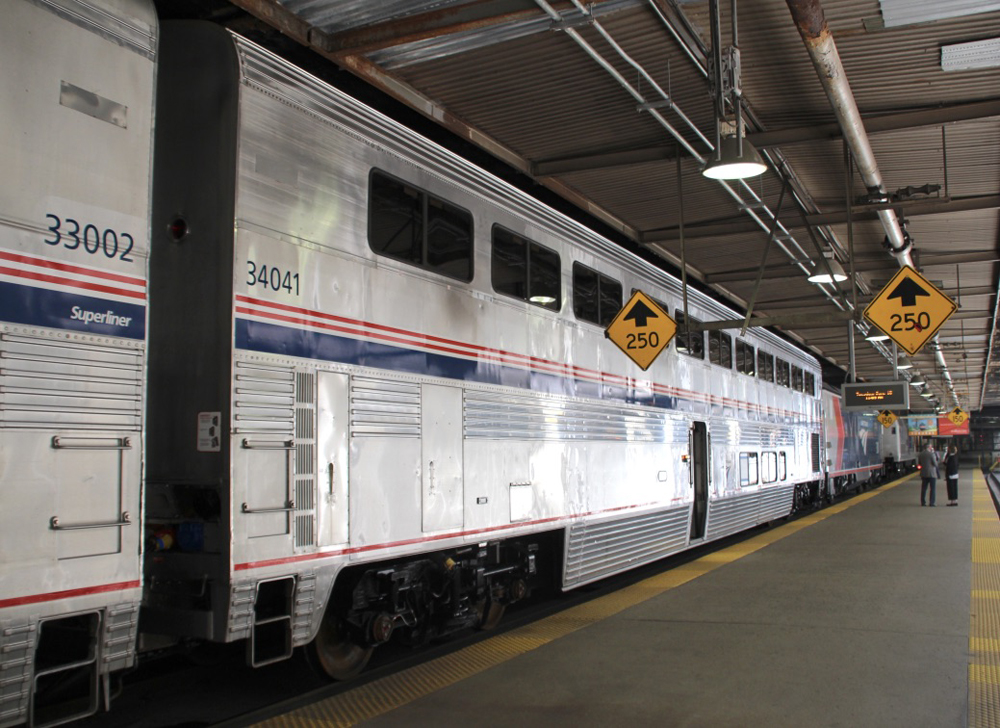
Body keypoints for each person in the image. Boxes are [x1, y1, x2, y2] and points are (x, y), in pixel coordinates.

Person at [917, 442, 939, 507]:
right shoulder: (931, 454)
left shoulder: (920, 454)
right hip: (932, 474)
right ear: (929, 447)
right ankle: (932, 503)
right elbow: (935, 464)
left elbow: (919, 463)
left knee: (923, 488)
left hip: (923, 473)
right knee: (932, 489)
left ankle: (923, 502)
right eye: (931, 446)